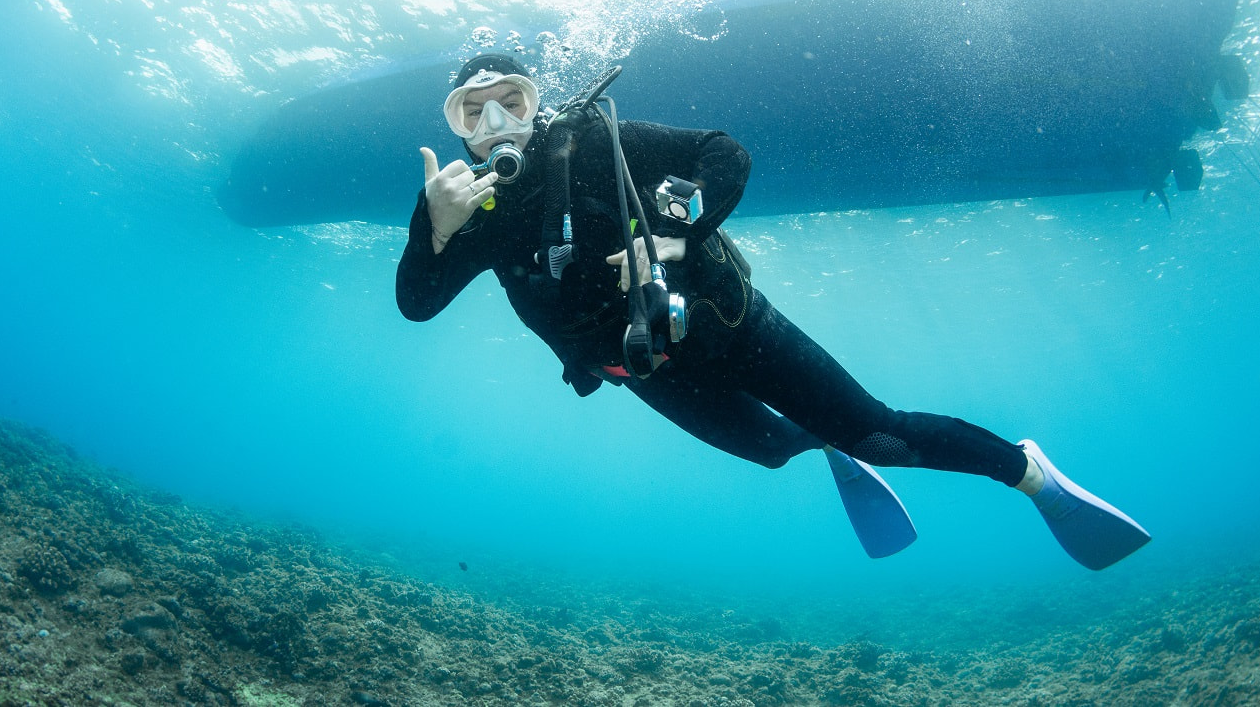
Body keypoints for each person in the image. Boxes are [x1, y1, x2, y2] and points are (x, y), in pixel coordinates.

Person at [396, 53, 1150, 568]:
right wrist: (428, 228)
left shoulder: (594, 143)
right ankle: (825, 444)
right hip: (647, 364)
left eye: (512, 101)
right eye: (474, 109)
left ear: (536, 104)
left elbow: (727, 153)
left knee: (878, 432)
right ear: (457, 125)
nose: (496, 122)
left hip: (730, 326)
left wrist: (677, 235)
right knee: (769, 449)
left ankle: (1028, 473)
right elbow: (417, 304)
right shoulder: (469, 209)